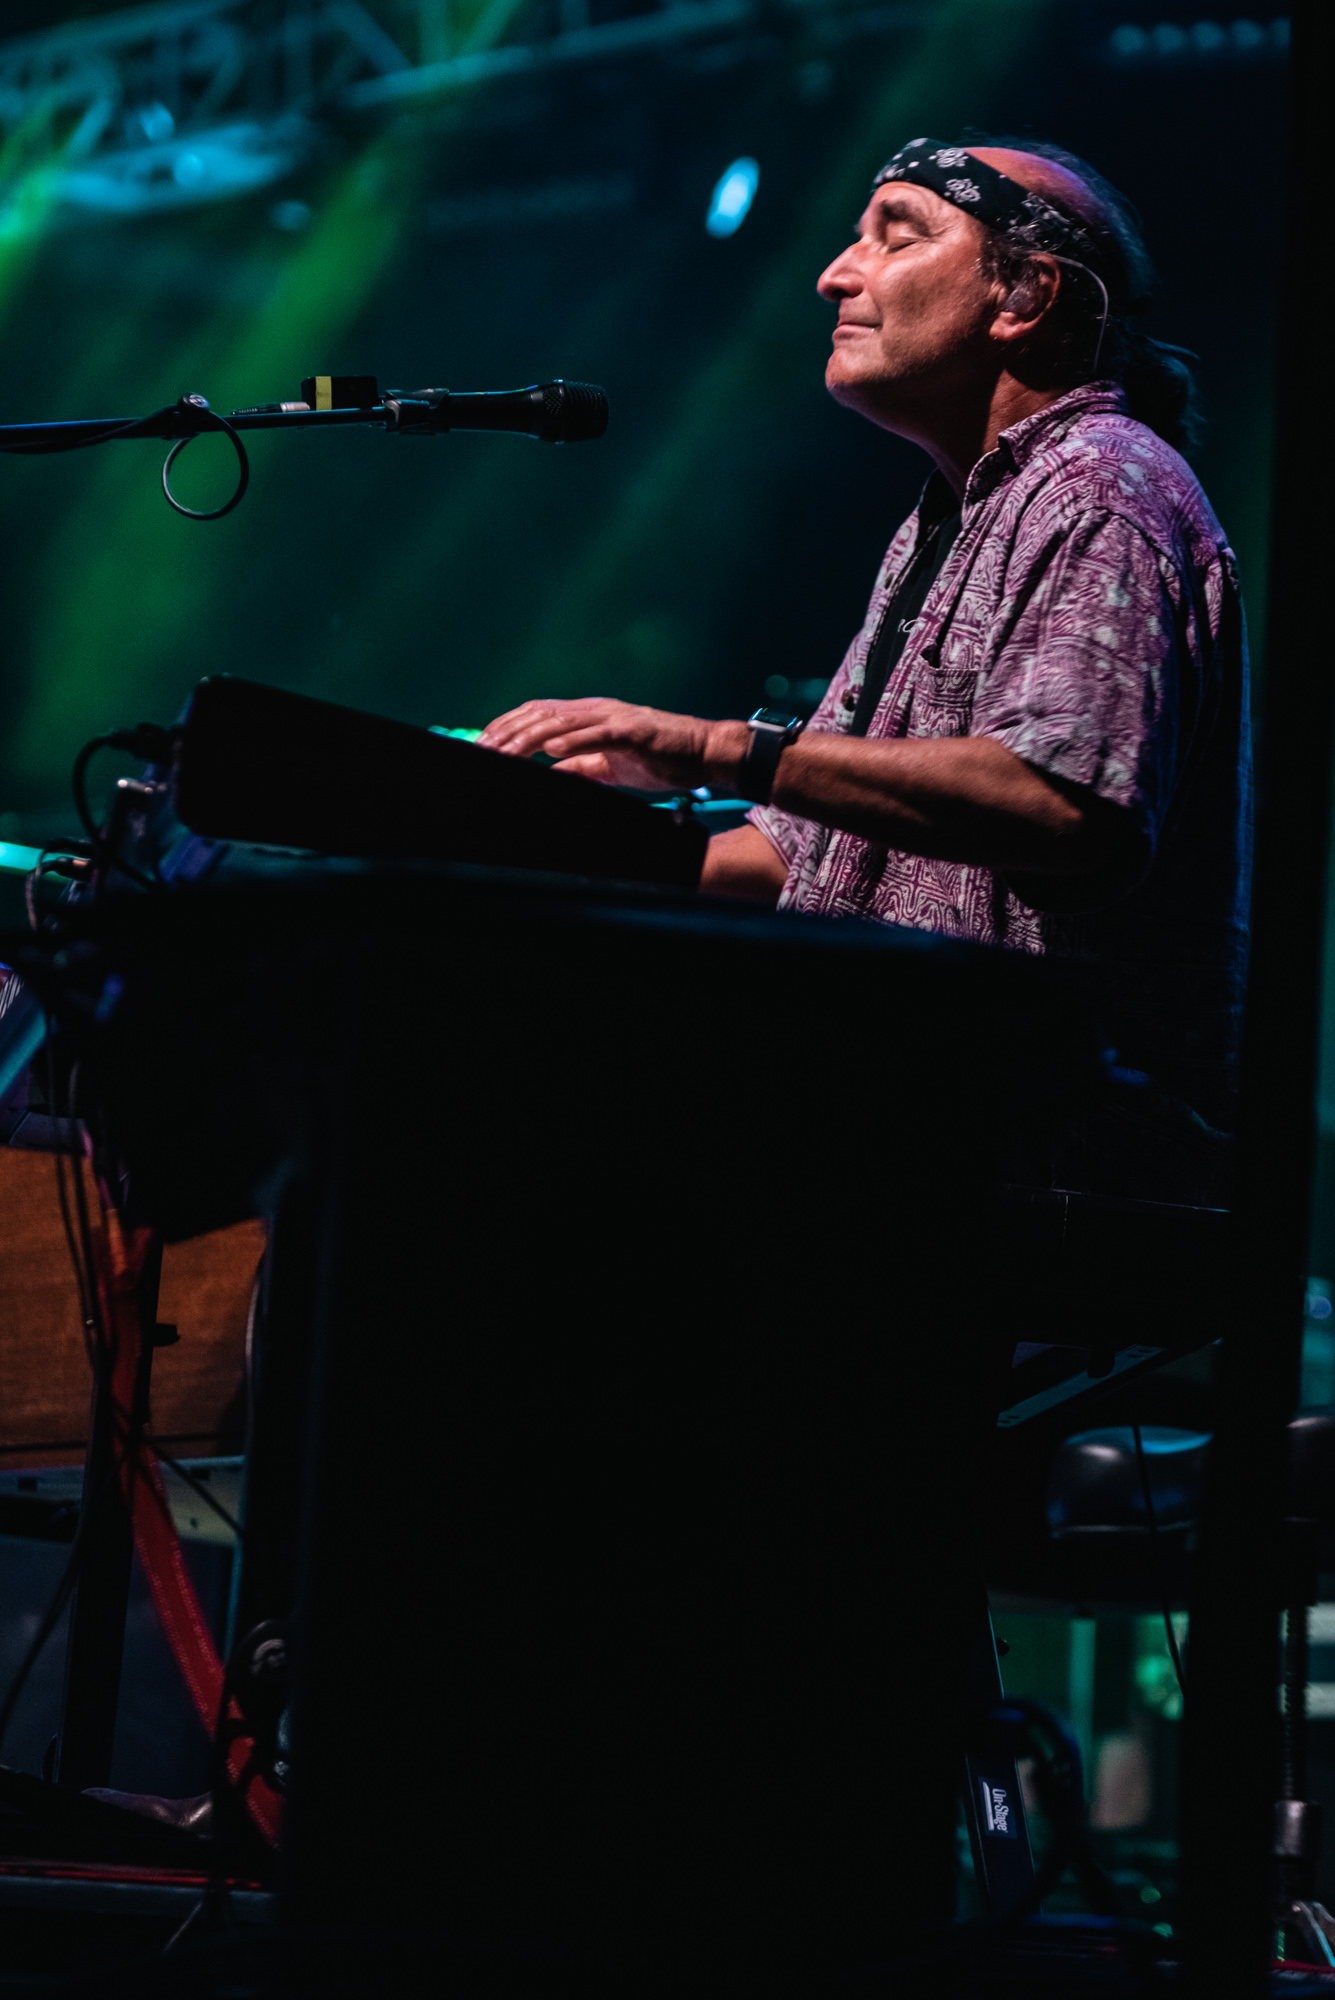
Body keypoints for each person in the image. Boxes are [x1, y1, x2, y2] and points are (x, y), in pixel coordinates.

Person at [480, 137, 1251, 1203]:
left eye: (896, 237)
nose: (833, 274)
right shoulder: (949, 517)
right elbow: (801, 857)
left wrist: (711, 748)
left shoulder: (1101, 489)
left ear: (1026, 294)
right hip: (912, 1135)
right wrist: (532, 833)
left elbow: (1063, 805)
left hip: (1044, 1173)